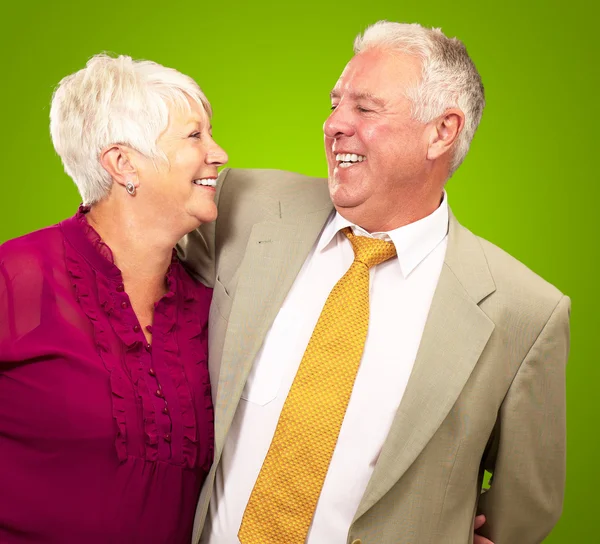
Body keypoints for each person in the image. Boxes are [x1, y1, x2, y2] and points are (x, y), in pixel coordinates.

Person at [180, 21, 570, 544]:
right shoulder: (240, 204)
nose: (334, 123)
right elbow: (125, 259)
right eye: (336, 102)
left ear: (442, 131)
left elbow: (523, 511)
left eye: (365, 108)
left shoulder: (525, 312)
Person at [0, 54, 228, 543]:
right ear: (124, 164)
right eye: (194, 136)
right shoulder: (15, 280)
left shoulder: (211, 308)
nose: (219, 153)